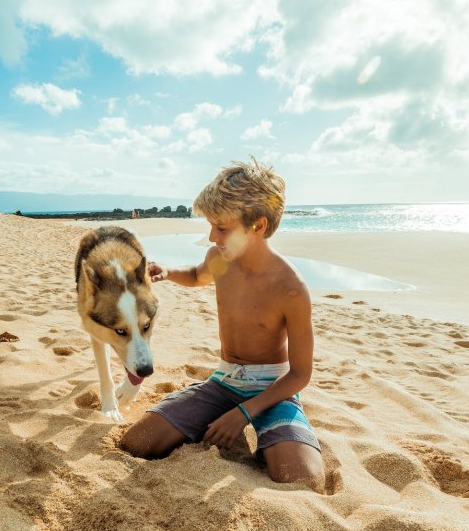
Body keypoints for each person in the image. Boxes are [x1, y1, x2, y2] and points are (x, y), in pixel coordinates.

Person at [120, 159, 325, 492]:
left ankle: (272, 433)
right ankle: (207, 420)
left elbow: (300, 374)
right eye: (211, 226)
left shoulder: (290, 287)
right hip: (224, 381)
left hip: (272, 391)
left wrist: (244, 413)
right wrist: (169, 271)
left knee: (304, 479)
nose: (212, 236)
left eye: (222, 227)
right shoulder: (219, 259)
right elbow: (198, 276)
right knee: (138, 442)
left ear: (257, 226)